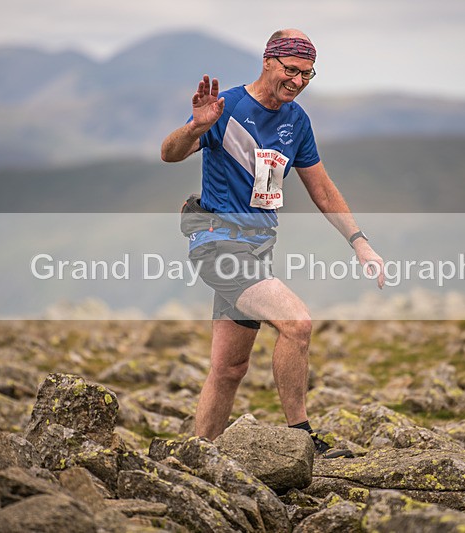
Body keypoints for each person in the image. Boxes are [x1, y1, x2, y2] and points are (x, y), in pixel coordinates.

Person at [161, 28, 384, 458]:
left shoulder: (296, 121)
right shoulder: (226, 107)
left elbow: (323, 190)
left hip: (257, 250)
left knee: (229, 368)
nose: (298, 81)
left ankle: (197, 457)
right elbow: (169, 153)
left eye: (307, 74)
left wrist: (359, 241)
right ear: (268, 61)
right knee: (296, 323)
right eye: (291, 70)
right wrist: (195, 128)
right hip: (218, 244)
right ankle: (302, 438)